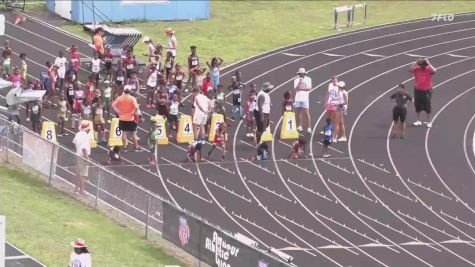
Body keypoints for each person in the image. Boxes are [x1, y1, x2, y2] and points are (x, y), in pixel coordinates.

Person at [112, 86, 142, 152]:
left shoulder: (120, 98)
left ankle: (125, 148)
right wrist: (133, 113)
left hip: (122, 118)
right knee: (133, 133)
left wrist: (118, 111)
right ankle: (136, 147)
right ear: (130, 91)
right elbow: (136, 107)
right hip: (131, 118)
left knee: (124, 133)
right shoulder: (132, 98)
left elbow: (113, 105)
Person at [410, 58, 436, 128]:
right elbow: (410, 70)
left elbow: (435, 71)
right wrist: (416, 62)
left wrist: (429, 63)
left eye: (424, 65)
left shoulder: (428, 69)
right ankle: (418, 120)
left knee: (427, 106)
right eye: (421, 65)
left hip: (426, 90)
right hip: (418, 90)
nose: (422, 67)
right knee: (417, 106)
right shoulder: (417, 69)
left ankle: (429, 122)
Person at [72, 122, 91, 195]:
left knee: (78, 173)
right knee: (82, 174)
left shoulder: (78, 134)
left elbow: (73, 142)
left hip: (78, 155)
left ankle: (76, 188)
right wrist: (87, 158)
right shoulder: (85, 136)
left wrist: (78, 149)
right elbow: (84, 149)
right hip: (83, 156)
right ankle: (82, 190)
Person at [294, 68, 312, 133]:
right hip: (298, 98)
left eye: (302, 73)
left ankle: (309, 127)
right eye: (300, 73)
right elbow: (296, 89)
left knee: (306, 113)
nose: (301, 74)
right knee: (298, 113)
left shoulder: (308, 79)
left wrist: (301, 89)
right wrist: (300, 82)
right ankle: (299, 126)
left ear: (304, 73)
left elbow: (309, 88)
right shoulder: (296, 80)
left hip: (305, 99)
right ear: (298, 74)